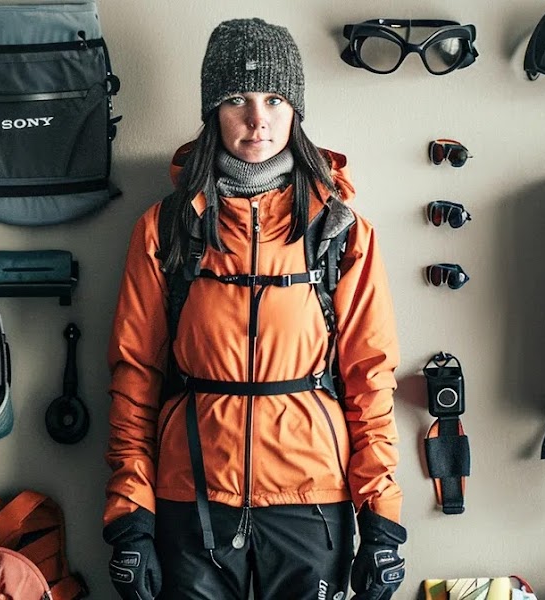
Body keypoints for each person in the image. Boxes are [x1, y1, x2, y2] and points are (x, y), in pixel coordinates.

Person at [103, 17, 405, 600]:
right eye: (237, 99)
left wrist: (383, 525)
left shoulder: (340, 231)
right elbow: (134, 379)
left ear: (296, 111)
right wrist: (130, 521)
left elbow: (370, 381)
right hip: (191, 502)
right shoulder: (166, 228)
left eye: (274, 98)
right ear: (213, 111)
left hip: (312, 505)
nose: (257, 118)